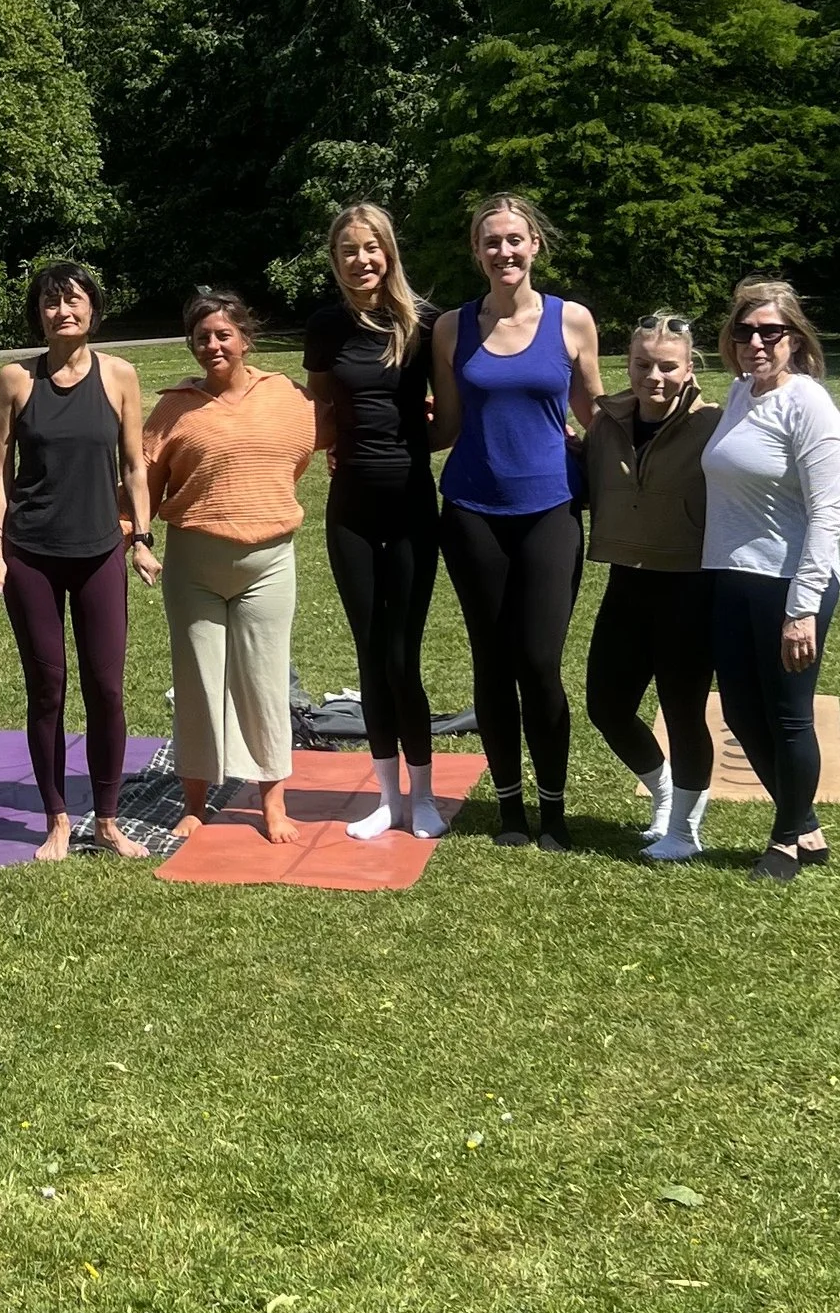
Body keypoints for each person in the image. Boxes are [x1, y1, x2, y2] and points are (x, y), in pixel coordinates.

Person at [433, 192, 600, 848]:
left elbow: (597, 415)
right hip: (472, 510)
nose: (504, 250)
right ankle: (508, 810)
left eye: (514, 239)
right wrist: (369, 446)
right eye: (491, 241)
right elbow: (445, 422)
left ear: (535, 245)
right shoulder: (452, 328)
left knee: (539, 660)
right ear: (477, 252)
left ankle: (553, 810)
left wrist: (667, 438)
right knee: (491, 661)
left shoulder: (572, 321)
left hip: (550, 510)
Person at [0, 260, 160, 864]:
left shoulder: (119, 376)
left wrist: (142, 539)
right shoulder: (14, 378)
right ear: (39, 313)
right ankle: (57, 818)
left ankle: (108, 820)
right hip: (30, 555)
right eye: (52, 302)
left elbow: (134, 465)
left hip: (99, 553)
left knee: (106, 688)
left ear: (93, 309)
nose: (63, 311)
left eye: (74, 300)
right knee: (47, 689)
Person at [144, 290, 317, 839]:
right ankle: (194, 803)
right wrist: (137, 538)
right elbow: (142, 484)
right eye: (201, 338)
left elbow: (313, 447)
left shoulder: (288, 396)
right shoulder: (174, 407)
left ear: (245, 338)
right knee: (197, 681)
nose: (212, 345)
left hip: (268, 561)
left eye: (222, 334)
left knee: (265, 682)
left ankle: (273, 802)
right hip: (194, 561)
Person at [302, 202, 445, 842]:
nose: (361, 260)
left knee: (401, 656)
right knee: (369, 653)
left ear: (388, 252)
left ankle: (423, 795)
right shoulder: (327, 326)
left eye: (371, 248)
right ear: (335, 262)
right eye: (347, 251)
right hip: (350, 511)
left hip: (413, 504)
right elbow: (319, 412)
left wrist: (406, 444)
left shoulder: (426, 325)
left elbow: (453, 418)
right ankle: (386, 798)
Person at [703, 278, 840, 886]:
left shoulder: (809, 406)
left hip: (788, 584)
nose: (757, 343)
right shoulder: (739, 394)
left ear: (795, 338)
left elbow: (827, 514)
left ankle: (785, 839)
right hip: (730, 579)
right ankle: (806, 823)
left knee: (789, 715)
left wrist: (802, 609)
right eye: (745, 332)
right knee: (740, 710)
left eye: (771, 332)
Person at [582, 313, 720, 864]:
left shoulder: (714, 424)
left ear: (688, 369)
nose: (654, 377)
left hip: (690, 585)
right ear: (628, 365)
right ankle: (664, 797)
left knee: (683, 711)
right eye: (643, 365)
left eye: (667, 366)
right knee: (606, 705)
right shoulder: (607, 421)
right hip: (627, 579)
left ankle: (685, 832)